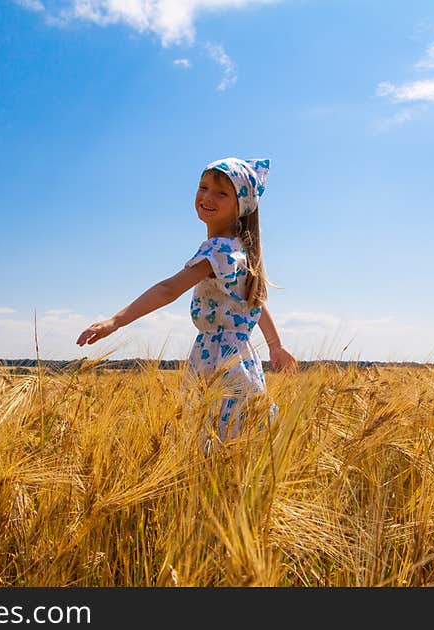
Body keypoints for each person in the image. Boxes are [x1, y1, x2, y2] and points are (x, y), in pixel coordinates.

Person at [76, 156, 298, 453]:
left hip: (216, 359)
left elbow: (169, 289)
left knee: (212, 440)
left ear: (240, 206)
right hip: (242, 359)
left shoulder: (217, 251)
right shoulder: (240, 251)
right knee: (237, 439)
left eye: (221, 192)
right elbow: (255, 302)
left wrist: (116, 321)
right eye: (203, 187)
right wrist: (274, 345)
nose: (207, 197)